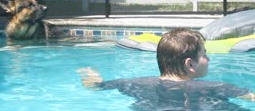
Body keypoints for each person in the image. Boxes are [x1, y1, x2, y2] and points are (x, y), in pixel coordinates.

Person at [77, 28, 255, 110]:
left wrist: (90, 75)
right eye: (205, 54)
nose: (208, 58)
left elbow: (95, 86)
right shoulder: (215, 87)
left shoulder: (134, 83)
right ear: (189, 65)